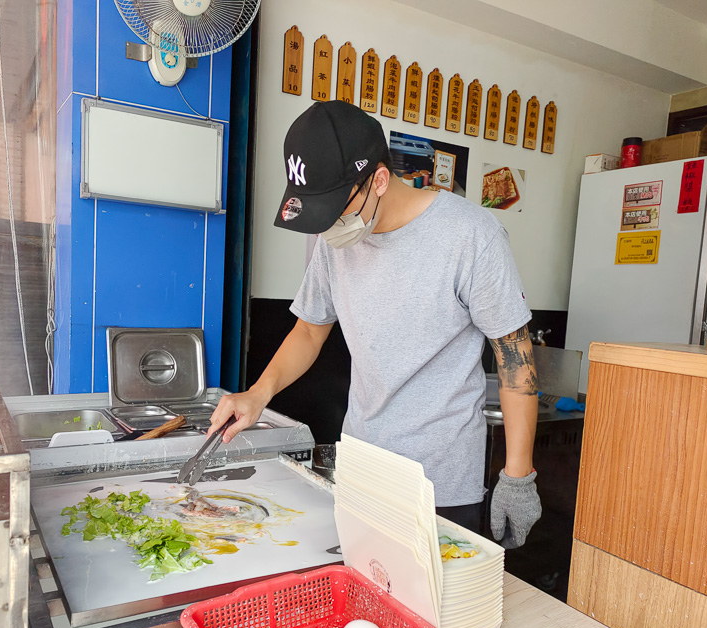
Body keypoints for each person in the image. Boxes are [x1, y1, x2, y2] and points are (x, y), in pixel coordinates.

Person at [209, 100, 541, 546]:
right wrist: (257, 394)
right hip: (361, 471)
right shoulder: (338, 241)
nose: (327, 229)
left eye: (334, 210)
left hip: (438, 484)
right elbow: (309, 330)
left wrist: (517, 476)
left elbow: (516, 364)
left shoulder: (471, 237)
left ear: (379, 180)